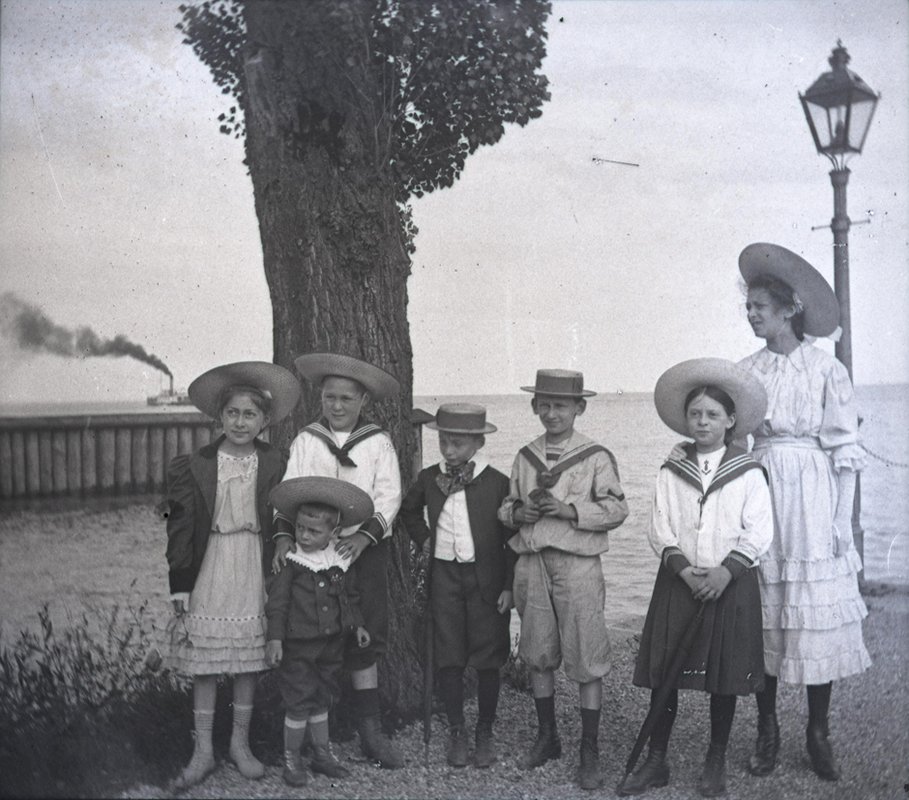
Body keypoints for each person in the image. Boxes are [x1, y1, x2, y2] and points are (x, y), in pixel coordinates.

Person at [736, 243, 871, 782]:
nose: (751, 315)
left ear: (789, 310)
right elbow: (735, 443)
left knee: (814, 611)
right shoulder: (745, 372)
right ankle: (767, 728)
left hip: (813, 495)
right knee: (763, 610)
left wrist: (842, 522)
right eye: (747, 308)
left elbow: (843, 448)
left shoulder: (825, 368)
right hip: (762, 485)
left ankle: (818, 731)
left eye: (760, 308)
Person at [618, 358, 773, 798]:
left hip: (729, 584)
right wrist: (684, 571)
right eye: (695, 414)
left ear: (730, 421)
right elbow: (659, 526)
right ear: (685, 420)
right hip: (680, 583)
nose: (703, 422)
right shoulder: (671, 470)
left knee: (722, 675)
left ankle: (715, 761)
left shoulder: (748, 471)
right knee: (666, 673)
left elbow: (759, 529)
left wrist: (727, 570)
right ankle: (656, 760)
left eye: (712, 415)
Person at [163, 361, 299, 789]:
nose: (241, 422)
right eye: (233, 413)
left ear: (264, 421)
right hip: (210, 564)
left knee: (247, 662)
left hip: (252, 564)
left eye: (250, 415)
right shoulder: (196, 463)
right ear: (219, 416)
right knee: (205, 661)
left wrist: (282, 540)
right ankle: (202, 749)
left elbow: (285, 512)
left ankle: (240, 744)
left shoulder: (275, 461)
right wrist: (180, 584)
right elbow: (178, 524)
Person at [271, 352, 404, 768]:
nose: (338, 406)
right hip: (312, 552)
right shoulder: (307, 440)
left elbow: (390, 496)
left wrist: (366, 537)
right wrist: (282, 538)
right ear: (321, 397)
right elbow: (288, 490)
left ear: (363, 399)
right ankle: (311, 735)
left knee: (364, 632)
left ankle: (370, 731)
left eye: (347, 398)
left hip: (358, 550)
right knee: (312, 635)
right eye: (330, 397)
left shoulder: (378, 442)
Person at [498, 369, 628, 790]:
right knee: (537, 650)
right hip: (533, 562)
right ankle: (547, 735)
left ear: (579, 408)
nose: (552, 413)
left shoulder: (595, 457)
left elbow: (617, 509)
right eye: (545, 405)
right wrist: (518, 514)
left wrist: (571, 511)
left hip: (578, 564)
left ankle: (588, 748)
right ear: (534, 407)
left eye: (561, 406)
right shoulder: (525, 456)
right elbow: (505, 506)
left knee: (586, 652)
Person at [399, 403, 514, 768]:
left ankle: (484, 730)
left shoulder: (497, 483)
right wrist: (424, 539)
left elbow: (512, 538)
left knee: (487, 658)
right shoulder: (429, 478)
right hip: (443, 578)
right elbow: (408, 511)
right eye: (444, 443)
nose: (449, 451)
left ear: (478, 443)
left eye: (458, 444)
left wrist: (509, 586)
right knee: (448, 656)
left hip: (485, 580)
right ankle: (457, 730)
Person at [266, 476, 374, 787]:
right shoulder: (291, 561)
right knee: (299, 698)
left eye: (314, 531)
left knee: (323, 696)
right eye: (300, 528)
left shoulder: (336, 561)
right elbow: (278, 603)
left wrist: (358, 625)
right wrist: (275, 638)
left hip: (331, 644)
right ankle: (292, 757)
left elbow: (348, 596)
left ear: (334, 533)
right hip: (298, 647)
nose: (304, 535)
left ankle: (322, 754)